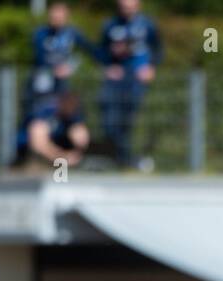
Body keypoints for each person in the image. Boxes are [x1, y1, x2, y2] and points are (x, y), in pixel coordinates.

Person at [98, 0, 162, 169]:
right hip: (116, 80)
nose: (127, 9)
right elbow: (101, 50)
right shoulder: (110, 25)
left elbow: (158, 48)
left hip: (136, 79)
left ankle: (127, 159)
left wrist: (151, 67)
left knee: (129, 120)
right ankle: (119, 157)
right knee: (110, 118)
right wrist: (108, 65)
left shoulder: (147, 24)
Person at [19, 90, 91, 168]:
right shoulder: (45, 111)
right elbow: (37, 142)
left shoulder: (73, 116)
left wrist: (75, 155)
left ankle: (74, 161)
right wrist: (61, 157)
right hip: (26, 150)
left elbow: (81, 135)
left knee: (79, 132)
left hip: (59, 147)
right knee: (39, 130)